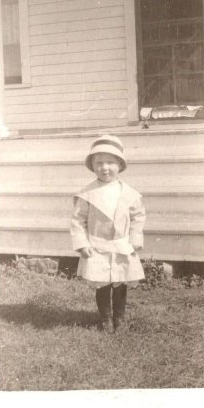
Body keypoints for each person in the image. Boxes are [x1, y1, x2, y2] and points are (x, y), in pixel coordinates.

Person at [70, 134, 146, 332]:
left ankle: (119, 318)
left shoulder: (129, 193)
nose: (105, 168)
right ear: (92, 166)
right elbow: (78, 220)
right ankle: (106, 319)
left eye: (111, 163)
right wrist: (83, 244)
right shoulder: (87, 194)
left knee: (120, 282)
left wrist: (135, 239)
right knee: (101, 283)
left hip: (122, 245)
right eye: (99, 163)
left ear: (120, 165)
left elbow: (138, 216)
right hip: (98, 245)